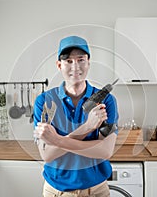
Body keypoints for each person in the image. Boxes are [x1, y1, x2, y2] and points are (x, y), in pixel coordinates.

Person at [33, 35, 119, 197]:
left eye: (81, 60)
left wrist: (57, 140)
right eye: (69, 61)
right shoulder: (44, 101)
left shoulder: (106, 101)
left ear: (88, 63)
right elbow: (47, 155)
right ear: (59, 65)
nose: (75, 67)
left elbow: (105, 151)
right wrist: (87, 127)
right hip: (56, 191)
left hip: (97, 190)